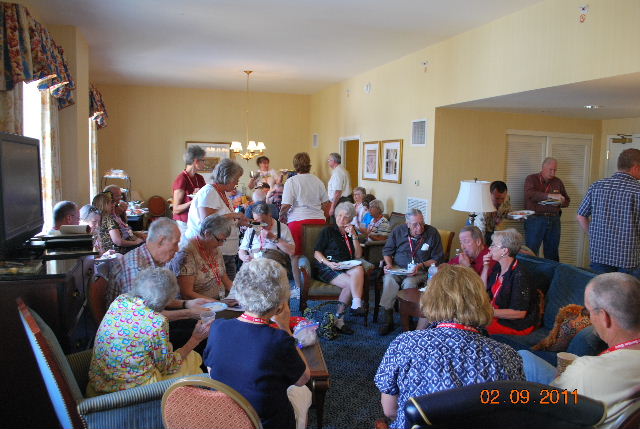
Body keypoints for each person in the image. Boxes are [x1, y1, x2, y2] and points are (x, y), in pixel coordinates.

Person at [375, 264, 525, 429]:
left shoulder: (405, 343)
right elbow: (512, 415)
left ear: (431, 299)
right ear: (482, 301)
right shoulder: (508, 355)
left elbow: (390, 411)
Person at [518, 272, 640, 428]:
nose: (589, 318)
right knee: (526, 357)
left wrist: (569, 374)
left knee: (523, 358)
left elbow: (551, 406)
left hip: (569, 410)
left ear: (604, 317)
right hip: (598, 399)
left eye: (588, 312)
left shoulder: (585, 370)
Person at [204, 259, 312, 429]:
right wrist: (285, 328)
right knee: (303, 391)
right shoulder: (279, 339)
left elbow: (211, 371)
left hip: (224, 418)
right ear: (280, 301)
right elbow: (303, 379)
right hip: (263, 423)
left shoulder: (217, 327)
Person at [87, 268, 209, 397]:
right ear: (167, 300)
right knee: (193, 358)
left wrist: (186, 305)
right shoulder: (157, 323)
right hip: (129, 393)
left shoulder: (120, 301)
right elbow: (168, 367)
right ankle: (193, 402)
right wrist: (195, 339)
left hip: (99, 383)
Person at [379, 209, 444, 335]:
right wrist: (389, 264)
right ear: (407, 224)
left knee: (409, 283)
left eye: (421, 223)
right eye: (415, 224)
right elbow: (387, 251)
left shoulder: (432, 233)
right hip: (398, 268)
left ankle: (408, 318)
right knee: (388, 280)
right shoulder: (398, 231)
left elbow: (437, 258)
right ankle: (388, 320)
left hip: (420, 271)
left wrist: (421, 265)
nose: (419, 227)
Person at [577, 148, 640, 277]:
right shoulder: (637, 190)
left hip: (599, 254)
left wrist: (593, 235)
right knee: (627, 290)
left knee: (601, 289)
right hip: (628, 258)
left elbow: (581, 216)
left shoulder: (597, 186)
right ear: (636, 168)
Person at [184, 158, 248, 279]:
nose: (237, 183)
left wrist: (239, 223)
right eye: (236, 179)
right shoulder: (209, 192)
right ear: (228, 178)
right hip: (214, 250)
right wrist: (233, 215)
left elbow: (223, 221)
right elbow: (207, 222)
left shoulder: (223, 193)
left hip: (227, 251)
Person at [313, 202, 366, 334]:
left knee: (359, 269)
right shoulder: (329, 231)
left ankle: (356, 303)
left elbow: (358, 255)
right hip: (328, 266)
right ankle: (340, 320)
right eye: (339, 215)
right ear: (336, 215)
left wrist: (354, 236)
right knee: (349, 284)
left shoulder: (351, 232)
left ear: (351, 219)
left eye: (346, 217)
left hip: (346, 265)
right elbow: (316, 253)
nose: (341, 219)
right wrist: (328, 263)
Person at [280, 152, 330, 289]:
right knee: (318, 254)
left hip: (298, 222)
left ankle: (298, 288)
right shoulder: (317, 181)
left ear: (295, 165)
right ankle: (318, 284)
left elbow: (286, 205)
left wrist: (281, 216)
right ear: (309, 164)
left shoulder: (291, 182)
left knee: (295, 256)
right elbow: (326, 203)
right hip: (318, 222)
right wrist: (325, 218)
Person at [481, 229, 538, 335]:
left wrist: (486, 312)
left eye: (493, 245)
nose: (489, 248)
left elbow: (519, 313)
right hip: (495, 313)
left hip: (514, 323)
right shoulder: (498, 267)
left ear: (504, 251)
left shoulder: (520, 275)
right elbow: (482, 290)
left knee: (476, 326)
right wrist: (486, 267)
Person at [172, 214, 235, 301]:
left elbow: (225, 279)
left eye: (224, 240)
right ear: (207, 234)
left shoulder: (214, 248)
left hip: (219, 302)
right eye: (220, 240)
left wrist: (241, 295)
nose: (221, 244)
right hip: (199, 306)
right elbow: (187, 294)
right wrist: (218, 303)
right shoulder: (187, 253)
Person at [524, 157, 570, 261]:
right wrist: (551, 196)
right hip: (535, 219)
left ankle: (552, 272)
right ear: (543, 168)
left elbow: (567, 200)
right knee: (531, 251)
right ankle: (530, 271)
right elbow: (530, 194)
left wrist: (561, 202)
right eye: (550, 170)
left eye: (555, 170)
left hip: (554, 219)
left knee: (552, 252)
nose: (553, 173)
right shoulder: (531, 179)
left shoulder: (558, 181)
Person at [239, 202, 295, 271]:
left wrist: (273, 238)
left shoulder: (282, 227)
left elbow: (291, 251)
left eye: (263, 221)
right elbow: (242, 250)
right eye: (256, 221)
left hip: (273, 265)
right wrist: (244, 257)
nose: (260, 225)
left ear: (270, 215)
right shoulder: (252, 227)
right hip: (253, 264)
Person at [172, 145, 207, 236]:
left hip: (197, 221)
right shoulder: (182, 179)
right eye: (203, 160)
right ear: (196, 161)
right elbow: (176, 209)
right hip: (184, 224)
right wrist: (193, 201)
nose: (205, 163)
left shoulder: (200, 178)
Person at [474, 181, 511, 246]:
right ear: (489, 194)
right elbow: (480, 232)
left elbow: (507, 213)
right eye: (497, 198)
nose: (500, 202)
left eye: (502, 198)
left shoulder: (507, 199)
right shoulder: (482, 208)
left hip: (493, 228)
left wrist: (516, 217)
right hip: (478, 227)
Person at [327, 152, 352, 217]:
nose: (328, 161)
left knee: (338, 222)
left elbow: (338, 192)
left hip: (341, 201)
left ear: (334, 161)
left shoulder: (337, 172)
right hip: (342, 200)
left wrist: (332, 207)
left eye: (329, 160)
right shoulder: (341, 170)